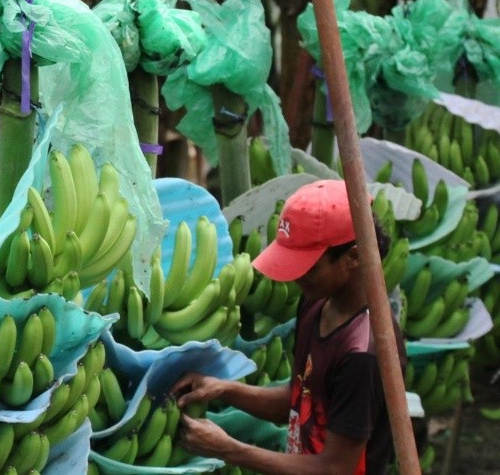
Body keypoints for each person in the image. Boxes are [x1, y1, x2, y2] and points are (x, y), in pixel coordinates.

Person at [170, 179, 405, 475]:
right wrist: (224, 390)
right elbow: (301, 399)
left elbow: (335, 469)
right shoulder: (316, 303)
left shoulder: (363, 353)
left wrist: (228, 448)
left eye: (309, 267)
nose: (296, 278)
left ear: (354, 256)